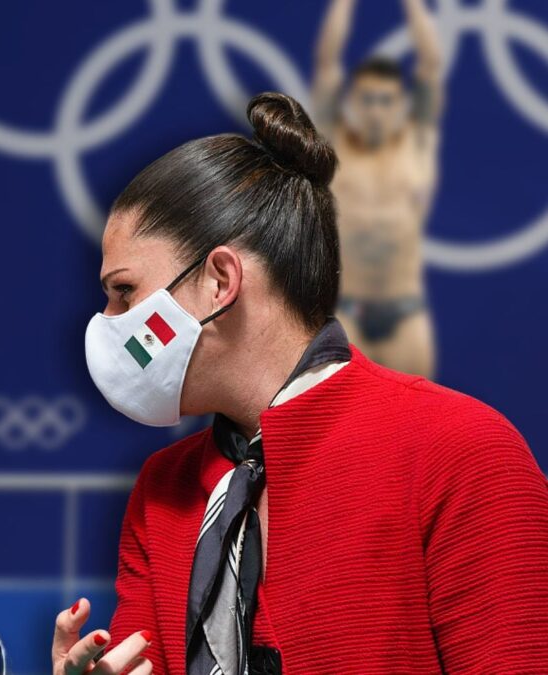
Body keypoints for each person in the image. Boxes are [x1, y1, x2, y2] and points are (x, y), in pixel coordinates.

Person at [50, 93, 548, 675]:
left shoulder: (459, 451)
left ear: (220, 281)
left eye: (124, 292)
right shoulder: (162, 489)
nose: (107, 322)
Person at [312, 0, 443, 378]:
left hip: (405, 311)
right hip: (348, 311)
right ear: (352, 101)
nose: (375, 110)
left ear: (401, 104)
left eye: (386, 101)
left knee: (417, 414)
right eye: (367, 100)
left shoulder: (418, 142)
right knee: (344, 415)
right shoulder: (333, 144)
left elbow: (431, 64)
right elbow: (326, 64)